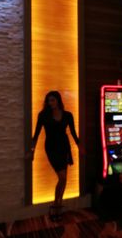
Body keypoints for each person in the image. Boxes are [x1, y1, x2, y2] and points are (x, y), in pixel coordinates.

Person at [30, 91, 80, 221]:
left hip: (64, 147)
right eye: (48, 100)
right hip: (51, 148)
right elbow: (36, 135)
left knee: (64, 178)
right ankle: (55, 203)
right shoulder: (43, 115)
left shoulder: (68, 115)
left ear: (58, 100)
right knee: (62, 177)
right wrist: (32, 151)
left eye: (52, 100)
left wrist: (81, 147)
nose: (50, 103)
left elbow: (74, 133)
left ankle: (58, 204)